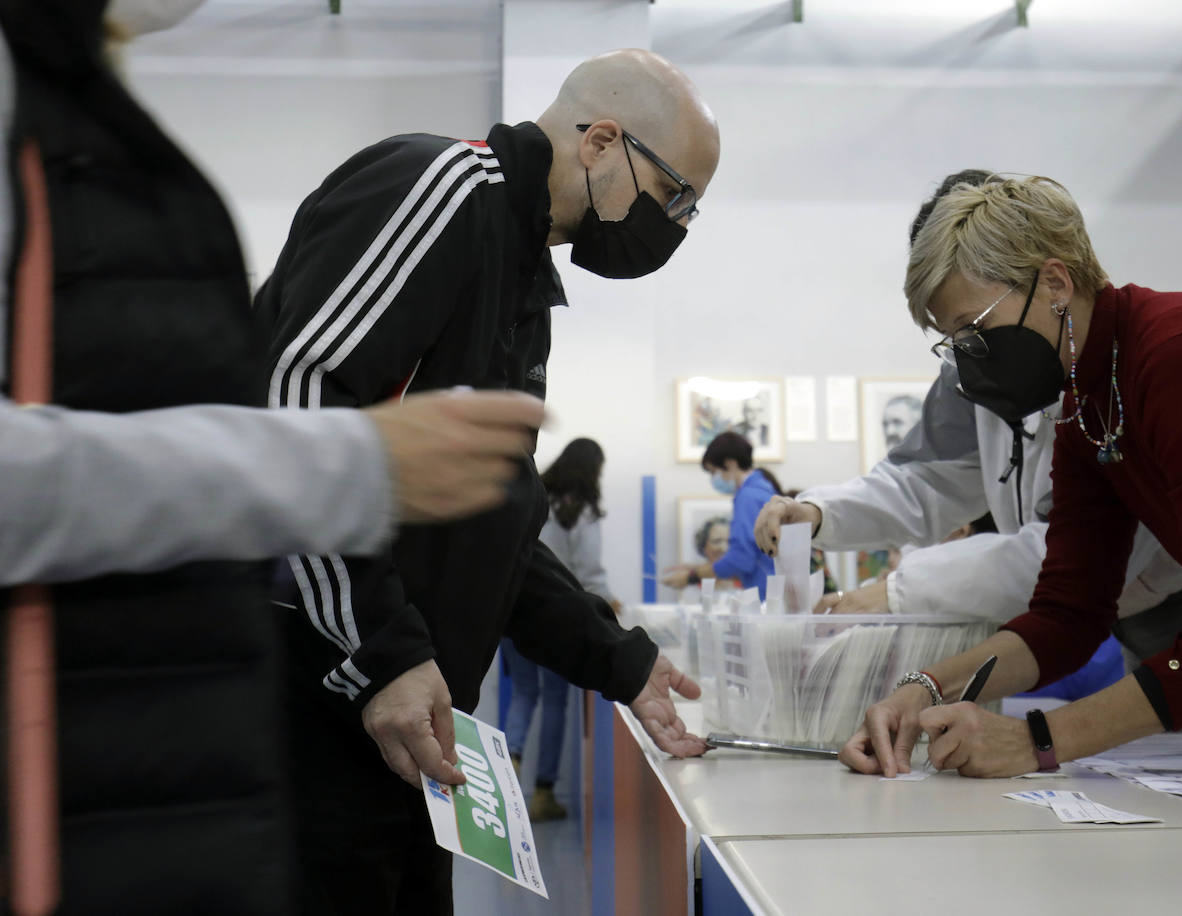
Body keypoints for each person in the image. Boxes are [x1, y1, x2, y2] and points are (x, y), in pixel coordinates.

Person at [0, 4, 551, 915]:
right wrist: (344, 478)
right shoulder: (448, 186)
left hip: (162, 778)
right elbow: (300, 390)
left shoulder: (83, 103)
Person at [254, 48, 720, 915]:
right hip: (315, 712)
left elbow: (492, 521)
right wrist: (382, 652)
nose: (678, 227)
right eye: (675, 197)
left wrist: (617, 661)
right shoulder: (443, 190)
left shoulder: (519, 279)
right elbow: (296, 404)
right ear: (603, 141)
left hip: (406, 730)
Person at [838, 171, 1182, 781]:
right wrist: (925, 688)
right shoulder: (1090, 407)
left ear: (1056, 283)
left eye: (976, 331)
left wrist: (1036, 740)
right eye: (952, 343)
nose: (967, 360)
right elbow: (1068, 615)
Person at [501, 437, 621, 822]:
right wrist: (610, 605)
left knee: (523, 693)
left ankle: (509, 772)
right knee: (554, 701)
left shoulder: (534, 495)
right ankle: (543, 794)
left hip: (512, 612)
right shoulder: (581, 510)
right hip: (557, 619)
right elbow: (588, 573)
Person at [662, 431, 778, 598]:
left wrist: (691, 577)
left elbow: (741, 560)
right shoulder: (761, 491)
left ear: (730, 464)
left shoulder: (748, 497)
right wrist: (696, 570)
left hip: (766, 596)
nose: (713, 479)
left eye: (713, 472)